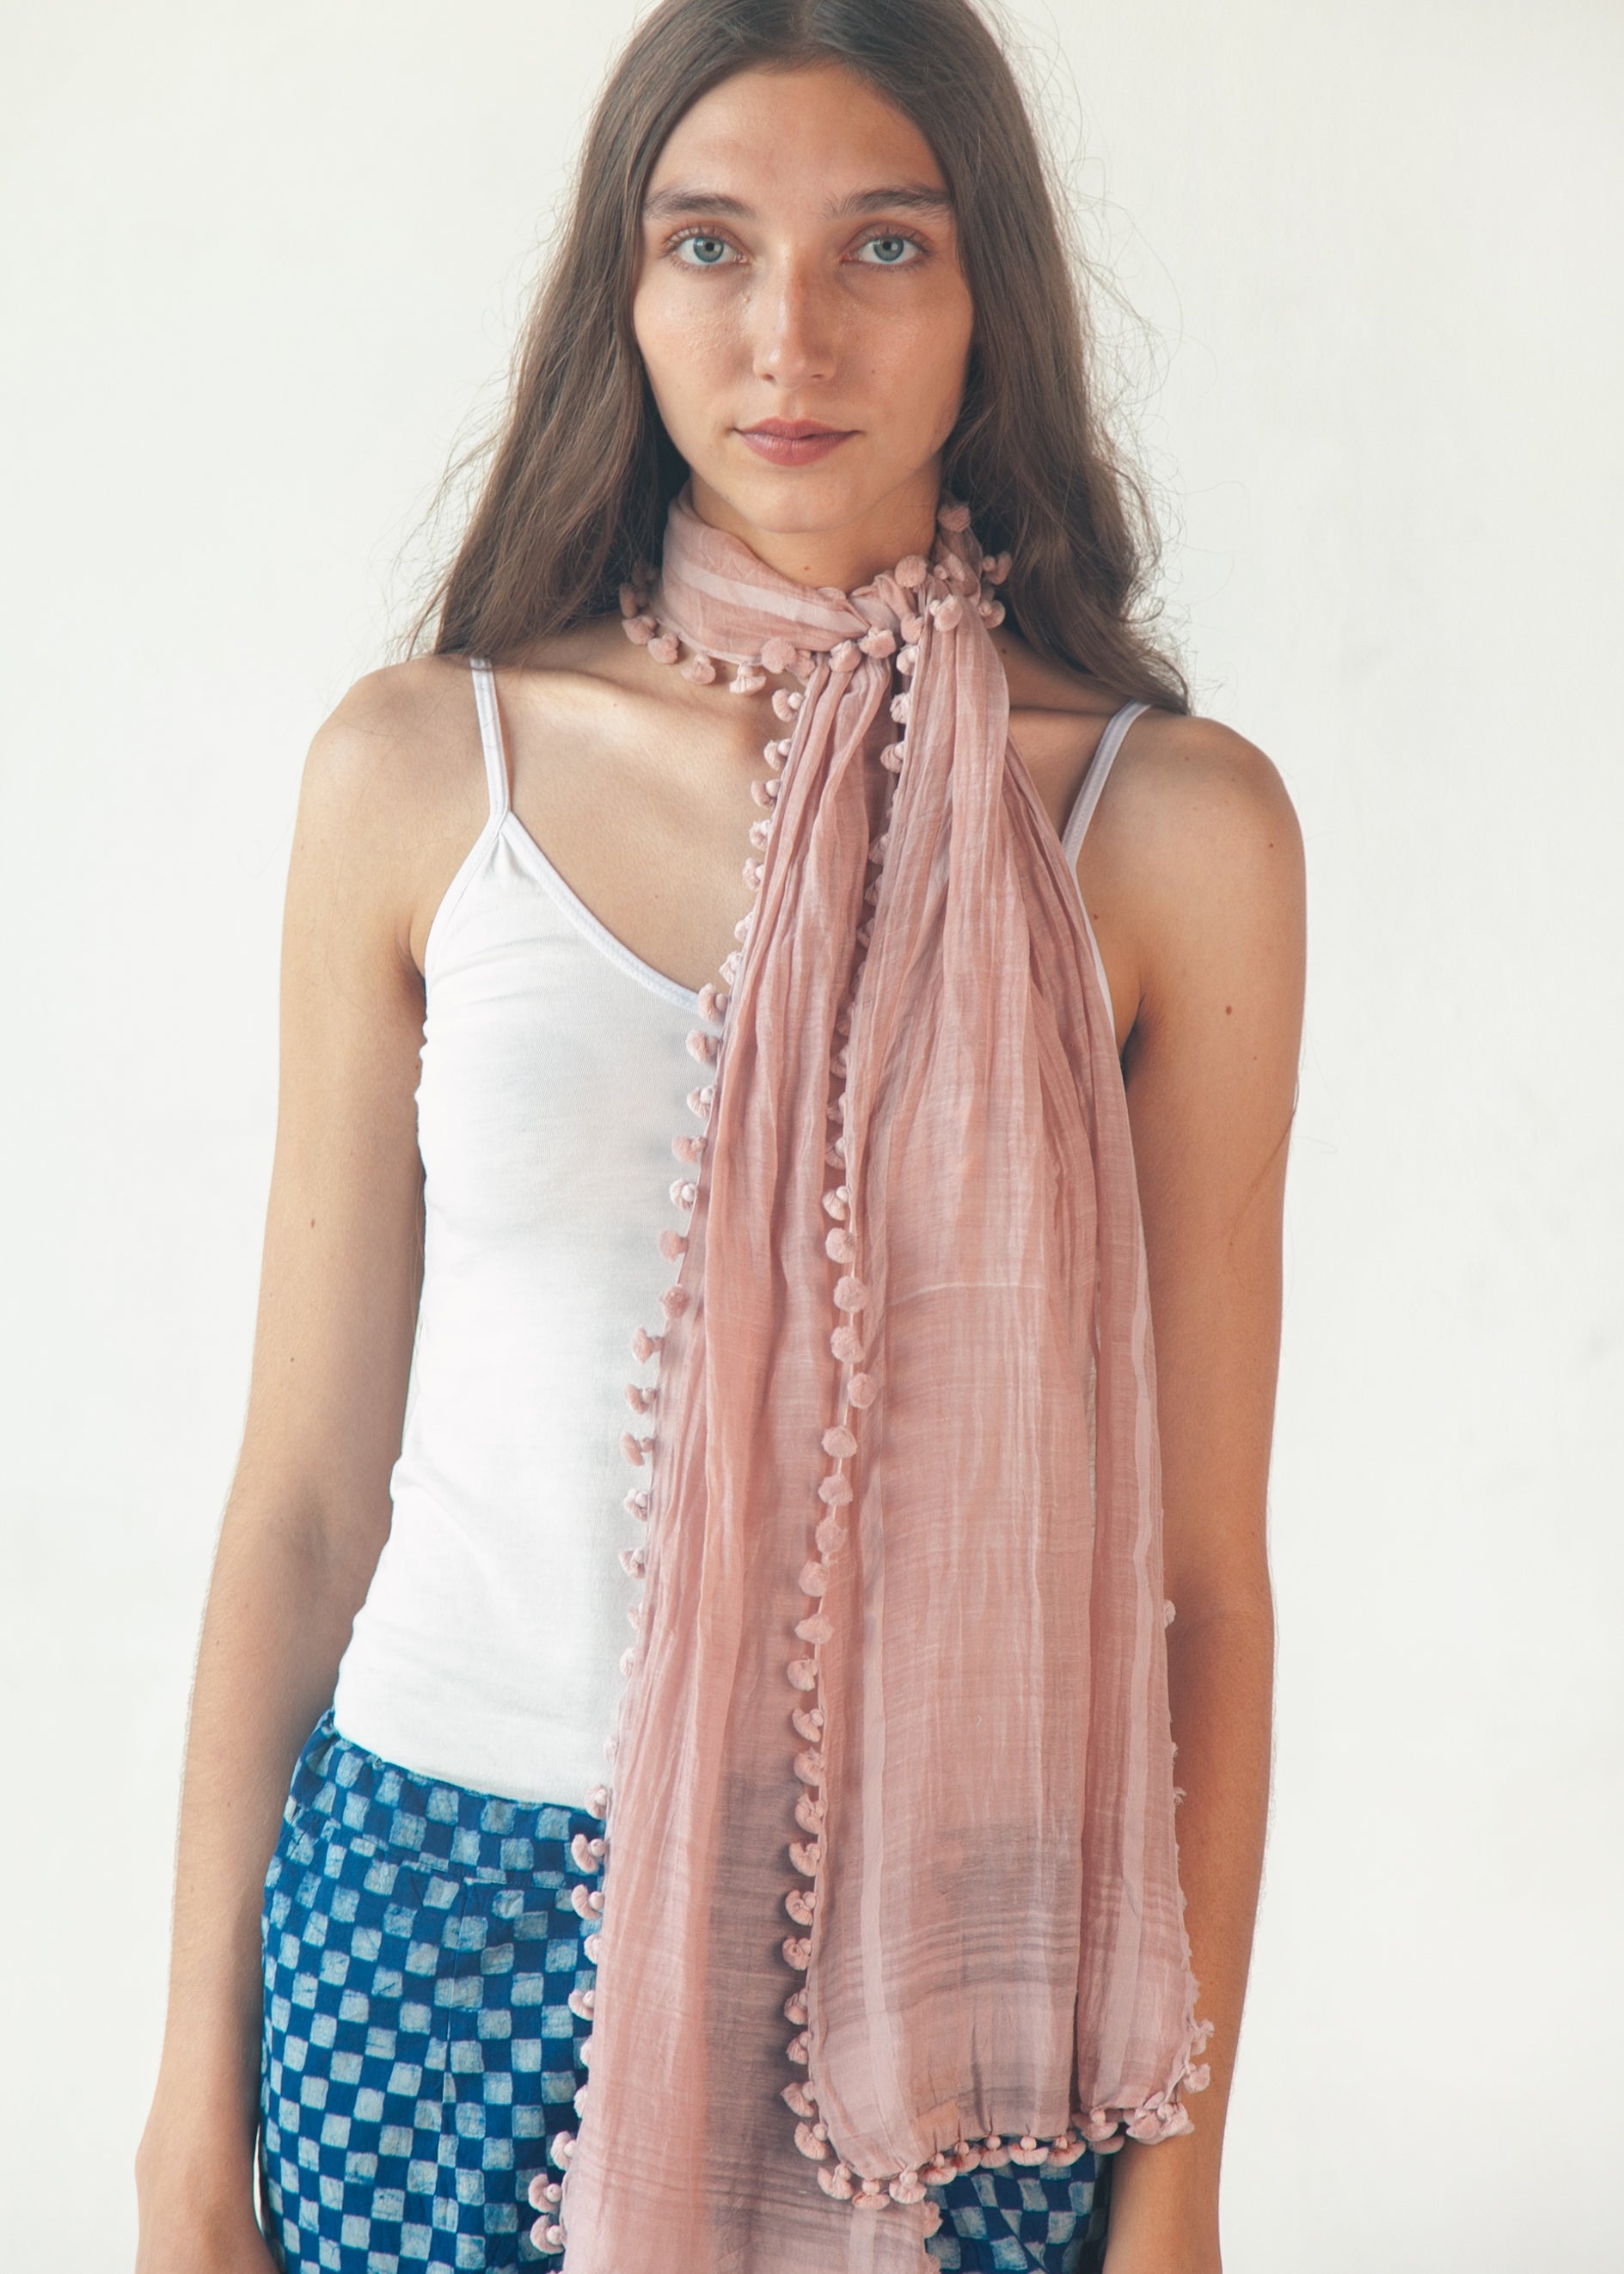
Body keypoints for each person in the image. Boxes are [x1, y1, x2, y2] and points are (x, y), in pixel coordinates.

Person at [134, 3, 1303, 2269]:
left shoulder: (1162, 828)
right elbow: (299, 1504)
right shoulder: (423, 773)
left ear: (989, 296)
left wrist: (1179, 2193)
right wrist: (191, 2135)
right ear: (626, 288)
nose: (791, 333)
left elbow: (1204, 1591)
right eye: (709, 244)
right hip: (431, 1930)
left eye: (885, 243)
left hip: (952, 1977)